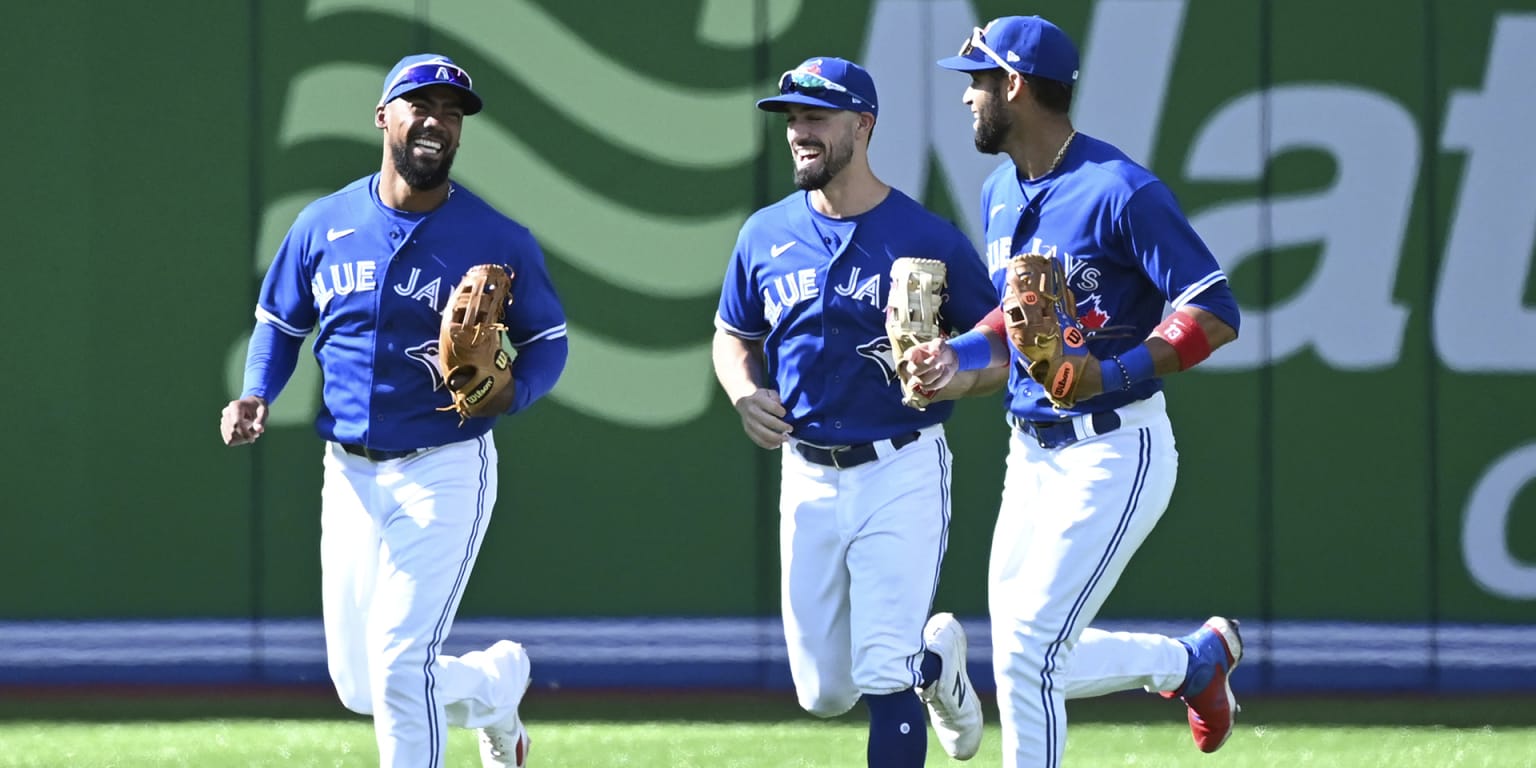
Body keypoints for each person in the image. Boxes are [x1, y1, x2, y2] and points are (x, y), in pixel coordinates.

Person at [904, 15, 1247, 767]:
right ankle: (1192, 664)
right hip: (1028, 453)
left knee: (1029, 654)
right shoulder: (1002, 190)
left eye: (978, 81)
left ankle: (1192, 665)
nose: (968, 98)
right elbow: (1014, 318)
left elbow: (1214, 309)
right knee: (1027, 652)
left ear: (1016, 86)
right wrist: (951, 352)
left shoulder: (1119, 190)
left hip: (1114, 446)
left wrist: (1113, 373)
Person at [219, 53, 568, 768]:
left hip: (444, 464)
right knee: (360, 685)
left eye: (452, 112)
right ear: (385, 117)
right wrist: (257, 392)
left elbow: (549, 341)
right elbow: (279, 325)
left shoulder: (498, 239)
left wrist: (513, 391)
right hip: (348, 473)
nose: (437, 121)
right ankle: (496, 686)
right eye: (421, 105)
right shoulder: (324, 224)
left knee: (401, 662)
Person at [712, 56, 1006, 766]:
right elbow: (731, 334)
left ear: (863, 125)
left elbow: (1003, 347)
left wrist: (954, 374)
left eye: (816, 116)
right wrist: (743, 391)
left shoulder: (925, 236)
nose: (799, 132)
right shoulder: (765, 234)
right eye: (792, 118)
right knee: (823, 692)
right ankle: (936, 665)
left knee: (879, 669)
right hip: (806, 472)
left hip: (899, 464)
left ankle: (906, 667)